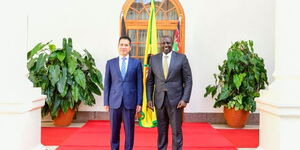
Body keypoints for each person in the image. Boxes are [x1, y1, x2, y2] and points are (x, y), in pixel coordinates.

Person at [146, 36, 193, 150]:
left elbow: (188, 80)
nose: (165, 45)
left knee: (176, 130)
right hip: (159, 100)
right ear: (160, 44)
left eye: (168, 43)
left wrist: (185, 99)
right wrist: (149, 99)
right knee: (161, 130)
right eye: (163, 43)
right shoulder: (153, 59)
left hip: (176, 101)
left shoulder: (181, 58)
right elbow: (150, 81)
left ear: (172, 43)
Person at [104, 36, 143, 150]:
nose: (123, 47)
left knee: (129, 132)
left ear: (130, 47)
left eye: (126, 45)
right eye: (121, 44)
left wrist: (139, 102)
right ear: (118, 46)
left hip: (130, 102)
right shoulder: (110, 63)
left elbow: (139, 84)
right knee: (114, 132)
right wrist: (106, 102)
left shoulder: (136, 63)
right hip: (114, 102)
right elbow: (107, 84)